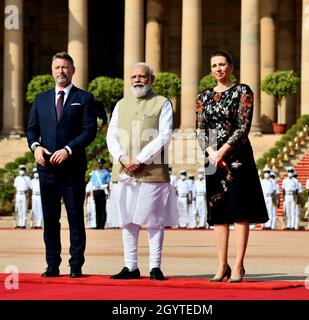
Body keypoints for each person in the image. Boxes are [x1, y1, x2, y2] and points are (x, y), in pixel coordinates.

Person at [195, 49, 268, 282]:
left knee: (240, 211)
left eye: (222, 64)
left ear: (231, 67)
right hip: (212, 158)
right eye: (214, 65)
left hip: (237, 156)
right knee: (219, 214)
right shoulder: (203, 97)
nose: (218, 69)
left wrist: (222, 151)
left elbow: (243, 126)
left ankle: (238, 266)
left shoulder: (242, 91)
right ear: (210, 70)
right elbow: (200, 129)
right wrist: (210, 153)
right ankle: (221, 265)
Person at [26, 52, 97, 278]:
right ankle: (52, 264)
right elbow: (31, 129)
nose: (61, 71)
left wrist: (68, 149)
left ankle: (76, 264)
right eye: (57, 67)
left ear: (73, 70)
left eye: (65, 67)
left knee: (75, 216)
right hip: (46, 168)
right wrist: (36, 146)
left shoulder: (84, 98)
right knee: (50, 218)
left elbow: (89, 131)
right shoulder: (41, 99)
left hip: (72, 168)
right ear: (52, 70)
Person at [106, 62, 179, 280]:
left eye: (142, 77)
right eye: (134, 77)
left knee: (154, 220)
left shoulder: (162, 103)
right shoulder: (121, 104)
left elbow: (164, 136)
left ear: (151, 79)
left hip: (152, 171)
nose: (138, 80)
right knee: (127, 219)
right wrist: (122, 158)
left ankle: (155, 266)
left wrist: (139, 159)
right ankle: (131, 266)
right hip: (124, 170)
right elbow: (112, 135)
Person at [89, 158, 111, 229]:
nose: (99, 165)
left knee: (102, 208)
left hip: (102, 191)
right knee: (97, 208)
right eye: (98, 163)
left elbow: (108, 183)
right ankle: (97, 225)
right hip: (96, 190)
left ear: (103, 164)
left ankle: (102, 225)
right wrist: (92, 193)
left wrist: (108, 193)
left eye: (100, 163)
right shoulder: (94, 173)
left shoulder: (106, 172)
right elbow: (92, 183)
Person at [13, 165, 31, 229]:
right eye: (21, 169)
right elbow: (15, 188)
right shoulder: (17, 178)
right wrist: (14, 197)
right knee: (18, 209)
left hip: (24, 195)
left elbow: (29, 188)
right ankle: (18, 223)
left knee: (24, 209)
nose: (22, 171)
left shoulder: (27, 178)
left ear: (25, 171)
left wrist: (28, 197)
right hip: (18, 194)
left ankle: (23, 224)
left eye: (23, 169)